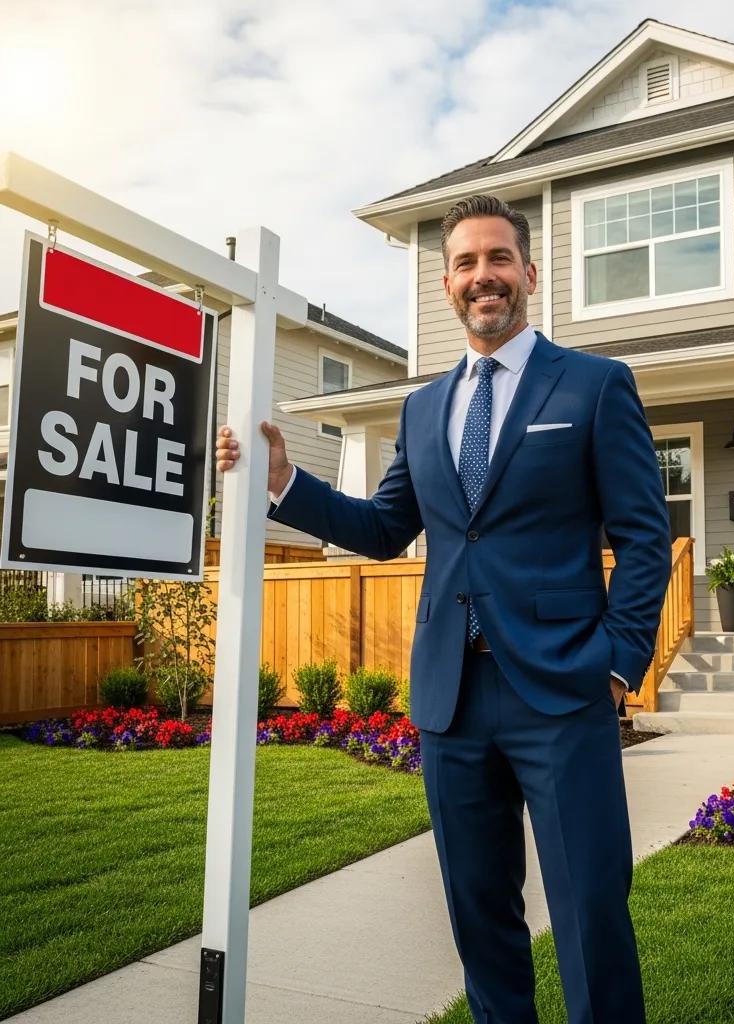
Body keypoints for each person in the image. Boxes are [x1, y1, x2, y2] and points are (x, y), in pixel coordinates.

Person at [216, 194, 670, 1024]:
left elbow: (646, 538)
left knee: (590, 917)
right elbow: (386, 528)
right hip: (451, 702)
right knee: (478, 920)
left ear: (529, 274)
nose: (483, 276)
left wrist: (615, 665)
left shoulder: (596, 386)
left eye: (498, 259)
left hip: (564, 694)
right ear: (447, 285)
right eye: (465, 263)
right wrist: (285, 482)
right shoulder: (423, 408)